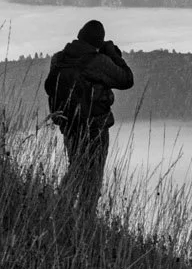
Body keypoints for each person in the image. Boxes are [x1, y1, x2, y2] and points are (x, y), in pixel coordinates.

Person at [44, 19, 134, 208]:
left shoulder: (59, 59)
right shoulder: (97, 62)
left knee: (76, 168)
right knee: (92, 180)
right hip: (95, 128)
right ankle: (85, 217)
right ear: (98, 42)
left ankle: (58, 208)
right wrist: (113, 54)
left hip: (69, 124)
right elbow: (126, 79)